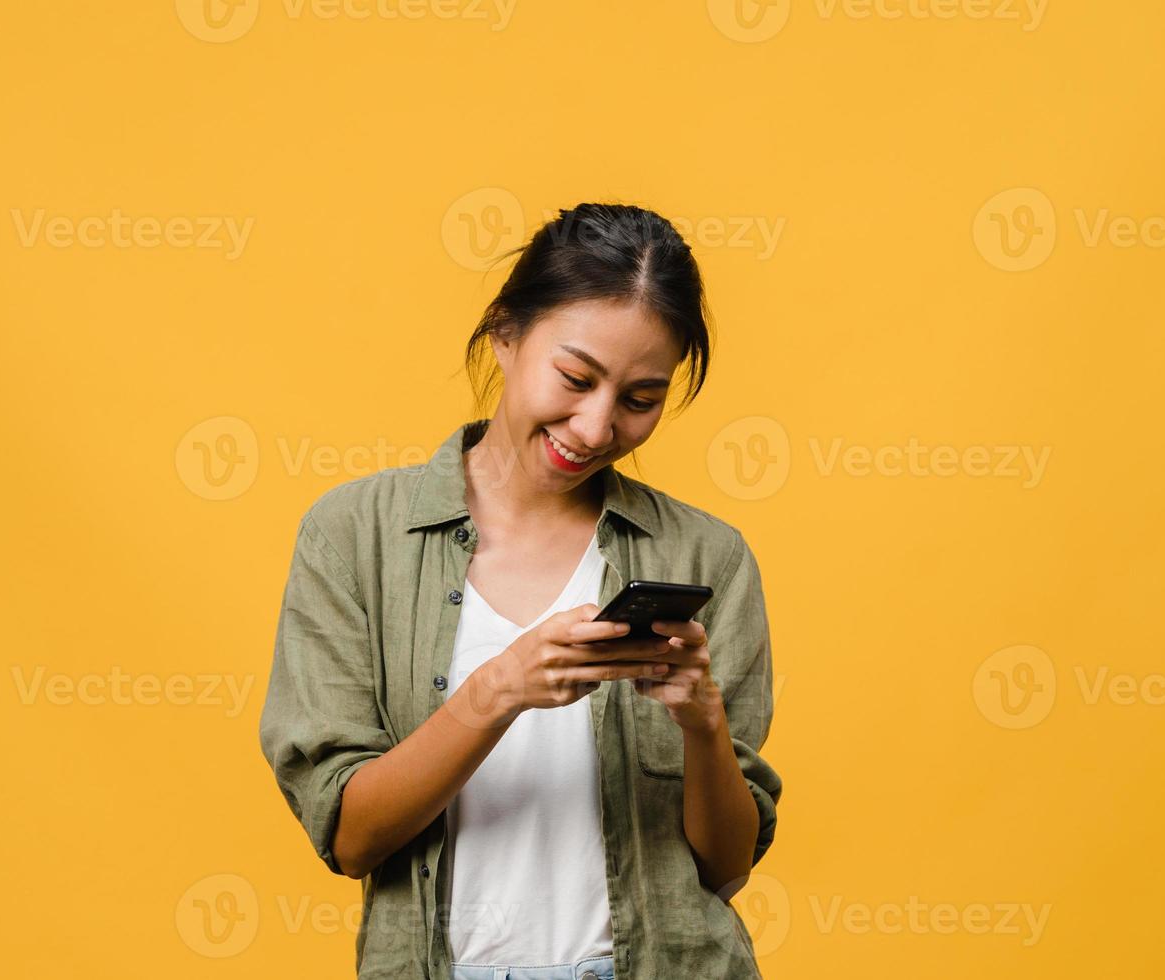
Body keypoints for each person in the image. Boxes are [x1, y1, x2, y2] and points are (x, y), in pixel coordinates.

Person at [259, 202, 782, 980]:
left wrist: (704, 727)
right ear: (505, 334)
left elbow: (725, 867)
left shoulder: (709, 555)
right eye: (575, 378)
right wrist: (500, 688)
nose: (597, 426)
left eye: (640, 399)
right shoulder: (353, 536)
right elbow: (350, 838)